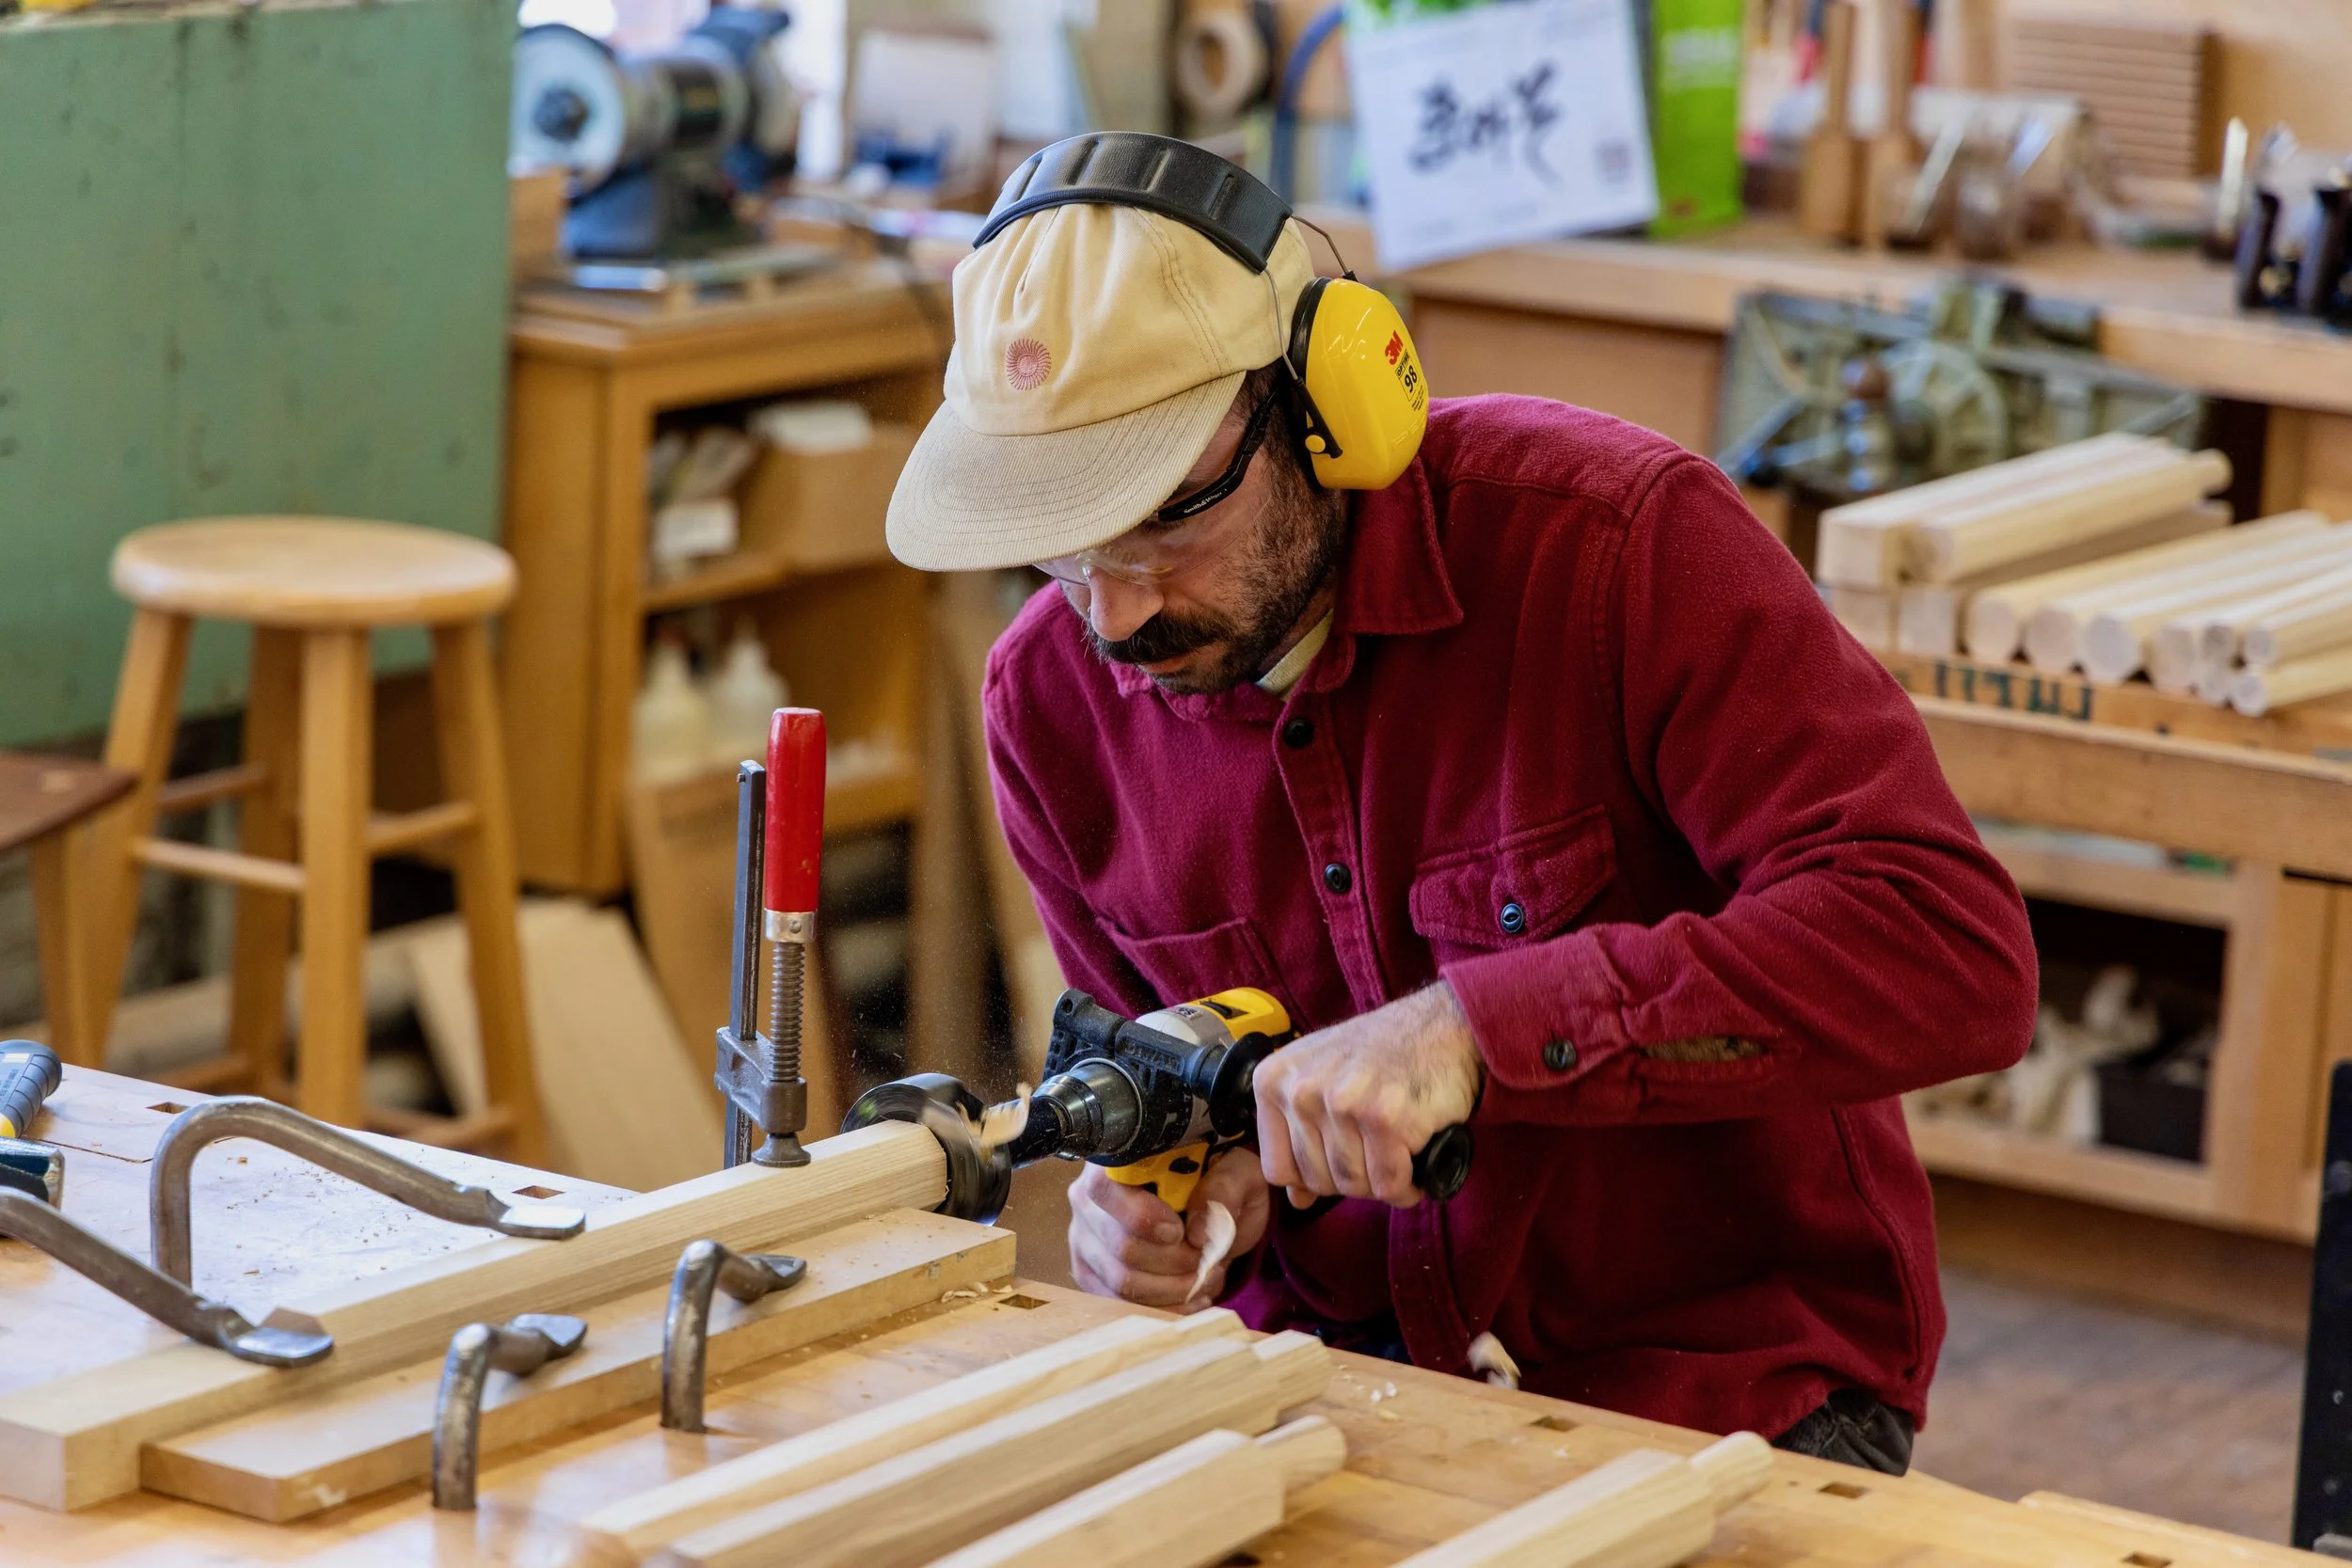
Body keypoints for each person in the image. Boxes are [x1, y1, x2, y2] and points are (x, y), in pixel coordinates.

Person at [885, 136, 2036, 1475]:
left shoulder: (1617, 549)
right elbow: (1194, 1098)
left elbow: (1952, 951)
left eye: (1157, 524)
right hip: (1334, 1382)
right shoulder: (1049, 702)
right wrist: (1188, 1201)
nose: (1116, 611)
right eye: (1062, 547)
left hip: (1718, 1382)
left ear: (1320, 403)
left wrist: (1478, 1031)